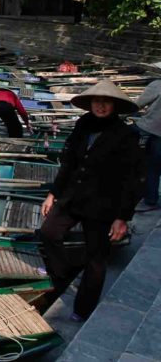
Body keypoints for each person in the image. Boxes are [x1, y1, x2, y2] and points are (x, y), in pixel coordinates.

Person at [39, 80, 143, 321]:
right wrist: (53, 193)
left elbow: (133, 179)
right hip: (73, 196)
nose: (101, 106)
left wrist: (122, 217)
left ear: (115, 106)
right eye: (97, 101)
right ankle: (62, 275)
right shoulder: (83, 125)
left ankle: (83, 309)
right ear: (91, 104)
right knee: (48, 233)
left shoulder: (126, 135)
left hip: (103, 204)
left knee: (96, 260)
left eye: (106, 102)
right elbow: (68, 163)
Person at [132, 79, 161, 209]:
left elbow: (137, 105)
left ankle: (150, 199)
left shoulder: (157, 85)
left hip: (152, 128)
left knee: (152, 165)